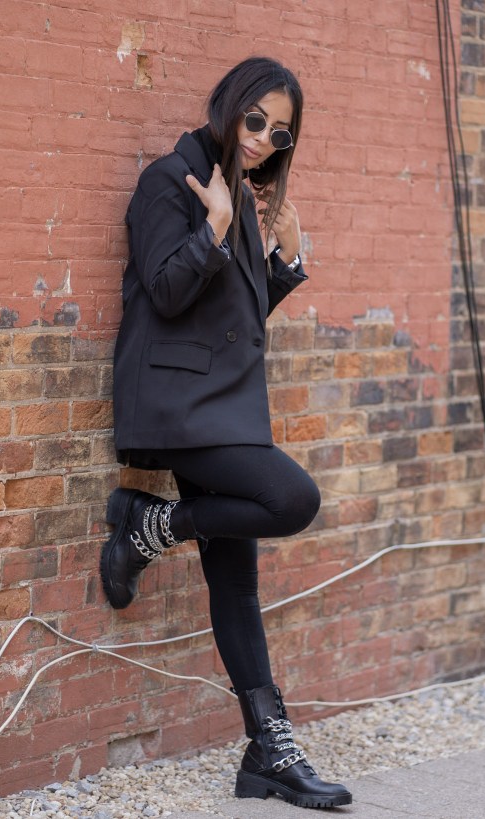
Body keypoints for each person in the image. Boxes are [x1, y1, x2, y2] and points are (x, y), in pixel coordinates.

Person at [100, 57, 351, 810]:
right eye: (256, 120)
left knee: (235, 579)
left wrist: (285, 258)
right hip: (177, 403)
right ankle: (152, 525)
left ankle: (267, 750)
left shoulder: (238, 195)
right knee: (293, 499)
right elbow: (167, 291)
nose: (264, 139)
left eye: (281, 134)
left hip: (222, 403)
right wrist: (213, 224)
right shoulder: (169, 181)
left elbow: (233, 317)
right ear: (228, 105)